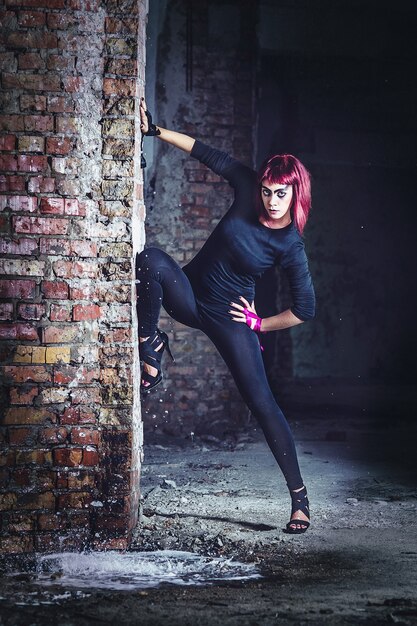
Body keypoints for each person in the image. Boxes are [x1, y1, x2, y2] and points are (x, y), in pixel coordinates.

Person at [136, 99, 315, 534]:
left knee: (262, 403)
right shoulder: (247, 186)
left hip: (231, 319)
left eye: (281, 193)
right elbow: (205, 151)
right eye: (268, 191)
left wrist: (258, 324)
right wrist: (153, 130)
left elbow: (304, 310)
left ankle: (300, 501)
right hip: (191, 297)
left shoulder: (290, 246)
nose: (271, 200)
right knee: (152, 261)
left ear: (296, 193)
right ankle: (151, 348)